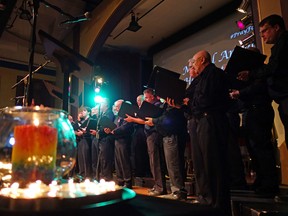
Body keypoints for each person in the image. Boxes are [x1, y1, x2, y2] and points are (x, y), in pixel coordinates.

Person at [186, 50, 231, 215]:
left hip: (212, 121)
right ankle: (207, 199)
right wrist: (182, 103)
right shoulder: (199, 78)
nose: (193, 65)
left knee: (213, 163)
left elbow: (206, 100)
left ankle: (218, 204)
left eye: (195, 62)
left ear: (202, 60)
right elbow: (190, 97)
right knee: (202, 163)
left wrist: (189, 102)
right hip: (201, 121)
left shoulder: (214, 74)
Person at [230, 47, 279, 195]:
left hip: (259, 110)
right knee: (253, 149)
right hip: (249, 112)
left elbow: (259, 88)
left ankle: (269, 184)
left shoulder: (261, 72)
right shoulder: (249, 75)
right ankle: (261, 181)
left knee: (261, 148)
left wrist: (240, 92)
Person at [125, 88, 166, 196]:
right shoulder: (150, 107)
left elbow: (147, 120)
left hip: (155, 134)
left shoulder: (157, 106)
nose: (146, 100)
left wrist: (133, 120)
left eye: (147, 98)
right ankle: (157, 185)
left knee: (156, 161)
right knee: (153, 161)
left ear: (152, 96)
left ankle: (160, 187)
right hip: (149, 135)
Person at [145, 97, 188, 201]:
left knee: (174, 164)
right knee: (171, 164)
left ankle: (178, 191)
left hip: (173, 135)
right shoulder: (167, 104)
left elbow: (168, 119)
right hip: (167, 135)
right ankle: (176, 191)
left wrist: (154, 121)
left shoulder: (173, 104)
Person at [258, 14, 288, 149]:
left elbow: (274, 68)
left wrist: (252, 73)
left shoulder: (285, 42)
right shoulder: (279, 45)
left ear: (276, 27)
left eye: (264, 31)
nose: (262, 36)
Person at [105, 99, 134, 188]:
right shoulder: (117, 116)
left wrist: (114, 131)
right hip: (117, 140)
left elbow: (126, 127)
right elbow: (114, 126)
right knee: (118, 162)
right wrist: (109, 130)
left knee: (124, 161)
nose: (116, 108)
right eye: (115, 106)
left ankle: (128, 182)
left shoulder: (127, 115)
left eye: (117, 106)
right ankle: (120, 180)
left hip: (124, 141)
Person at [93, 98, 115, 181]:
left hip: (106, 139)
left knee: (106, 160)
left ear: (106, 104)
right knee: (102, 159)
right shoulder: (103, 114)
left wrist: (98, 131)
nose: (100, 105)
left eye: (102, 103)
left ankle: (107, 178)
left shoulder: (109, 113)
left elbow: (108, 126)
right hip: (102, 139)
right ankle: (102, 177)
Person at [74, 106, 93, 179]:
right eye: (82, 111)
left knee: (86, 158)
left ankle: (87, 175)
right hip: (80, 140)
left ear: (89, 112)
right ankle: (82, 173)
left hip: (87, 139)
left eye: (84, 111)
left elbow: (90, 130)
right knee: (81, 158)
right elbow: (76, 127)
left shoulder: (90, 120)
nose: (82, 112)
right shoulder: (81, 121)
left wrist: (84, 132)